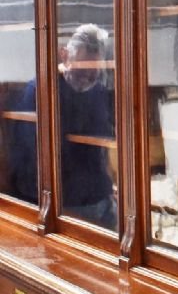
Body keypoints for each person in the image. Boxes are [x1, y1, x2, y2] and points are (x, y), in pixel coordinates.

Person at [13, 23, 117, 230]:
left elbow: (105, 144)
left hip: (100, 200)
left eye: (94, 71)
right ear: (64, 55)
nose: (88, 77)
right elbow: (35, 159)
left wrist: (111, 186)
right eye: (82, 69)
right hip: (63, 206)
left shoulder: (98, 92)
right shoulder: (40, 91)